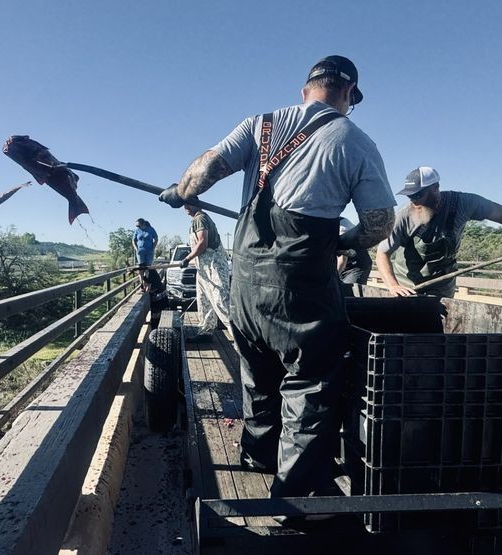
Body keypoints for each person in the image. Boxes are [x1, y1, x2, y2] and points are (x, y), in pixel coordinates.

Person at [158, 55, 396, 500]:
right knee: (309, 383)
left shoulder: (259, 125)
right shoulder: (354, 139)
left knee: (259, 370)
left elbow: (204, 170)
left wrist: (180, 192)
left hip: (245, 282)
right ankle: (300, 497)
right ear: (348, 95)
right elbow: (380, 224)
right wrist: (344, 242)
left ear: (305, 90)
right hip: (301, 284)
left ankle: (258, 453)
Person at [376, 166, 502, 298]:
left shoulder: (463, 203)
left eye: (419, 194)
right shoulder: (403, 217)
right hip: (408, 287)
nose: (413, 200)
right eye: (410, 195)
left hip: (442, 286)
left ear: (435, 188)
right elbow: (382, 254)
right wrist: (393, 285)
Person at [178, 201, 232, 341]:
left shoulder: (200, 218)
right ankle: (206, 332)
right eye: (184, 205)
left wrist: (187, 258)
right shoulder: (194, 221)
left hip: (214, 266)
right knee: (204, 301)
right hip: (202, 267)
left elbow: (203, 243)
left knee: (221, 302)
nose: (186, 207)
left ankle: (243, 340)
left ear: (197, 204)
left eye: (189, 204)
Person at [337, 217, 373, 297]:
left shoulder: (342, 226)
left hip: (356, 266)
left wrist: (333, 277)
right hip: (343, 267)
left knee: (349, 293)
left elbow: (342, 260)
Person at [139, 265, 168, 329]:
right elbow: (144, 286)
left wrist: (141, 276)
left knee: (157, 318)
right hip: (158, 295)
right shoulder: (149, 271)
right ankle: (157, 330)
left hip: (159, 296)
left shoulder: (149, 273)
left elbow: (146, 288)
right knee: (159, 317)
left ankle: (156, 331)